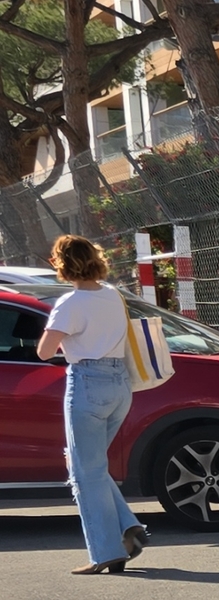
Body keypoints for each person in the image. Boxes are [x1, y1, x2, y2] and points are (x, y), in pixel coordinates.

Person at [34, 235, 149, 575]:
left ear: (62, 264)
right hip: (119, 385)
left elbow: (43, 351)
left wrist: (66, 339)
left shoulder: (70, 303)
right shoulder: (113, 295)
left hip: (87, 382)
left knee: (84, 473)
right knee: (92, 467)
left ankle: (106, 553)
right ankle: (128, 527)